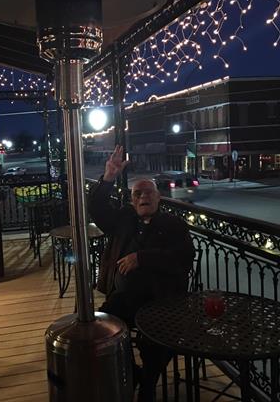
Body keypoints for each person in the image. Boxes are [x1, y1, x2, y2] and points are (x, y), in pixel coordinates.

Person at [88, 145, 195, 401]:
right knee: (102, 331)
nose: (143, 196)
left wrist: (142, 258)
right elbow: (97, 208)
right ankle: (133, 373)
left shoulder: (173, 225)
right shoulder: (123, 219)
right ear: (132, 200)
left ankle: (147, 383)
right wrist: (108, 177)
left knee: (155, 341)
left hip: (163, 300)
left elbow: (184, 258)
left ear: (158, 198)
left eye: (149, 192)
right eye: (138, 193)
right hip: (124, 299)